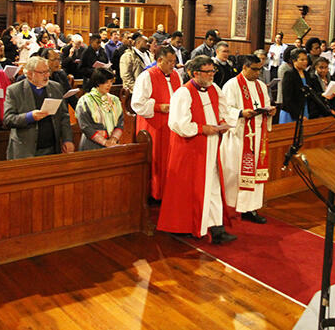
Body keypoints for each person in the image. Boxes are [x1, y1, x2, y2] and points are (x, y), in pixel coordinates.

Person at [157, 55, 236, 244]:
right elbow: (177, 123)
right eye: (207, 72)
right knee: (190, 189)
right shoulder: (183, 94)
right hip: (191, 148)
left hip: (211, 146)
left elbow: (222, 112)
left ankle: (216, 227)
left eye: (213, 72)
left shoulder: (215, 89)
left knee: (214, 185)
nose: (212, 76)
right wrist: (202, 129)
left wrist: (223, 123)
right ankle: (188, 226)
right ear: (194, 73)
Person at [220, 55, 275, 224]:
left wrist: (270, 111)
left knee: (255, 171)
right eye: (255, 69)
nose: (258, 73)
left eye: (260, 69)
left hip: (257, 134)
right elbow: (224, 109)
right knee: (237, 171)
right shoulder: (232, 85)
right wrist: (240, 113)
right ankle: (232, 205)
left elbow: (265, 103)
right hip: (240, 134)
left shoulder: (260, 86)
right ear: (244, 67)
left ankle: (250, 207)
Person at [132, 47, 182, 200]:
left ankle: (169, 192)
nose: (173, 65)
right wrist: (159, 107)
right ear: (159, 60)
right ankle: (154, 194)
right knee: (156, 159)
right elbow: (138, 104)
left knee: (171, 159)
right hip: (153, 126)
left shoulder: (176, 76)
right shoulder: (146, 76)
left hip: (172, 125)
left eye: (174, 62)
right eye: (169, 62)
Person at [3, 56, 75, 159]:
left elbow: (64, 116)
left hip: (52, 149)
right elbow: (8, 119)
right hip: (25, 150)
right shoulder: (15, 90)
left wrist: (67, 139)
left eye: (47, 71)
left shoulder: (56, 87)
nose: (47, 75)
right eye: (42, 73)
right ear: (29, 74)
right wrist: (30, 116)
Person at [75, 68, 124, 150]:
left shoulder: (115, 100)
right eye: (106, 82)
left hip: (112, 144)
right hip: (91, 145)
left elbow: (120, 121)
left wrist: (113, 139)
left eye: (111, 82)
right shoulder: (85, 100)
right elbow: (85, 126)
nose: (109, 85)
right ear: (97, 82)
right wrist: (104, 142)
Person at [280, 48, 311, 123]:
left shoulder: (307, 74)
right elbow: (287, 98)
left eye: (306, 59)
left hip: (304, 108)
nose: (305, 62)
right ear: (294, 61)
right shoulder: (289, 74)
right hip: (291, 112)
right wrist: (298, 115)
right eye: (302, 60)